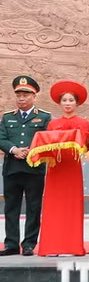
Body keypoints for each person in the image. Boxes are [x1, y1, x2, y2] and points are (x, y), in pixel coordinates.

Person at [35, 80, 89, 256]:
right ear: (60, 103)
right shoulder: (53, 124)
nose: (67, 103)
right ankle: (52, 246)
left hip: (72, 167)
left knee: (71, 206)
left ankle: (71, 246)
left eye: (71, 100)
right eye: (64, 100)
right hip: (55, 168)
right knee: (54, 207)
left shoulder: (83, 123)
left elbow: (86, 144)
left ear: (77, 103)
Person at [0, 76, 51, 256]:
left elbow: (48, 139)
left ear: (34, 96)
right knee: (11, 208)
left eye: (25, 95)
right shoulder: (7, 117)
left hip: (33, 169)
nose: (21, 99)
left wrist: (32, 150)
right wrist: (14, 149)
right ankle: (11, 244)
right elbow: (1, 138)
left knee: (33, 207)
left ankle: (29, 244)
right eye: (19, 95)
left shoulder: (44, 117)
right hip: (12, 168)